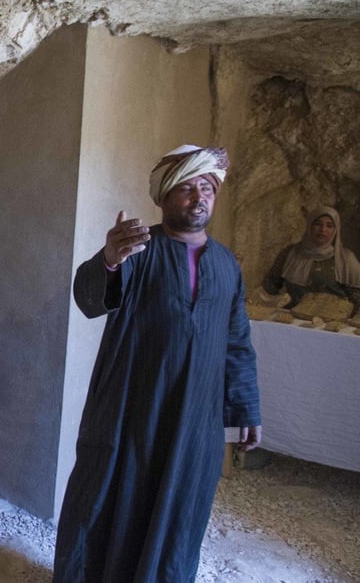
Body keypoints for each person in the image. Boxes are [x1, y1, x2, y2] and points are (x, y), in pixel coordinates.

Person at [53, 145, 262, 583]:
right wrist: (109, 259)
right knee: (110, 498)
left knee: (180, 509)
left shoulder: (227, 265)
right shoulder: (138, 249)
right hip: (130, 412)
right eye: (186, 188)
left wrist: (246, 409)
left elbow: (237, 341)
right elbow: (90, 300)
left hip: (194, 420)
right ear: (164, 197)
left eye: (206, 187)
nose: (198, 197)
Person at [262, 205, 360, 310]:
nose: (323, 229)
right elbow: (270, 287)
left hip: (332, 322)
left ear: (336, 230)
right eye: (318, 224)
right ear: (310, 226)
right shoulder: (290, 253)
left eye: (329, 226)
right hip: (293, 319)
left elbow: (357, 298)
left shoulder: (346, 259)